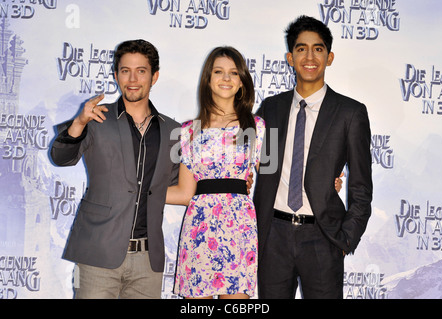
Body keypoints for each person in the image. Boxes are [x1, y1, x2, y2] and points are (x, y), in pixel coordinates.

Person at [253, 15, 373, 299]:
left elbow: (361, 187)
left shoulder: (350, 113)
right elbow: (265, 166)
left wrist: (345, 239)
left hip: (323, 237)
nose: (309, 56)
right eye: (301, 49)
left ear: (329, 57)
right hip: (273, 237)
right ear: (290, 58)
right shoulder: (271, 108)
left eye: (318, 49)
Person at [50, 39, 180, 299]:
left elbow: (177, 184)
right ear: (115, 74)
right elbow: (61, 157)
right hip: (97, 252)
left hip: (148, 260)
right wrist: (78, 123)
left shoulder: (173, 130)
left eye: (141, 71)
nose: (132, 79)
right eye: (125, 70)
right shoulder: (96, 117)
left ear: (154, 76)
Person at [166, 46, 265, 299]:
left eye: (233, 73)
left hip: (240, 230)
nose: (226, 78)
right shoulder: (186, 131)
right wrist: (141, 190)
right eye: (219, 71)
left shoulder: (259, 127)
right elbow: (185, 192)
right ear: (208, 80)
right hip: (199, 229)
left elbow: (277, 181)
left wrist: (327, 179)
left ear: (242, 81)